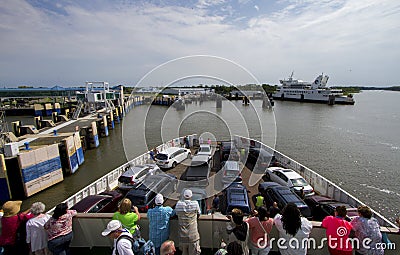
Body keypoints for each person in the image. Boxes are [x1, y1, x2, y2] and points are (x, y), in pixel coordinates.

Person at [174, 189, 201, 255]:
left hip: (182, 236)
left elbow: (176, 214)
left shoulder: (178, 204)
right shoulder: (195, 203)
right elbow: (199, 213)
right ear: (191, 196)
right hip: (193, 236)